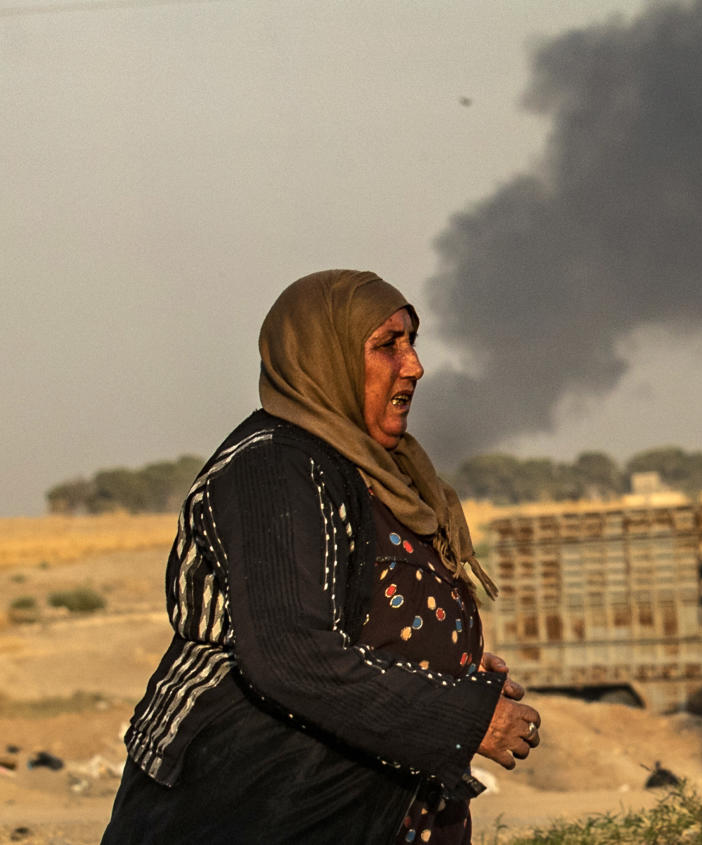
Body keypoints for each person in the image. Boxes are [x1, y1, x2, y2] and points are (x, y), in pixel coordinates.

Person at [102, 269, 540, 844]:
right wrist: (460, 718)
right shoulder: (276, 469)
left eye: (413, 342)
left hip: (355, 796)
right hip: (255, 799)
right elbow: (292, 654)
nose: (414, 365)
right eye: (388, 345)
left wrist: (447, 671)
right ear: (323, 358)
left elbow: (359, 615)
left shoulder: (378, 472)